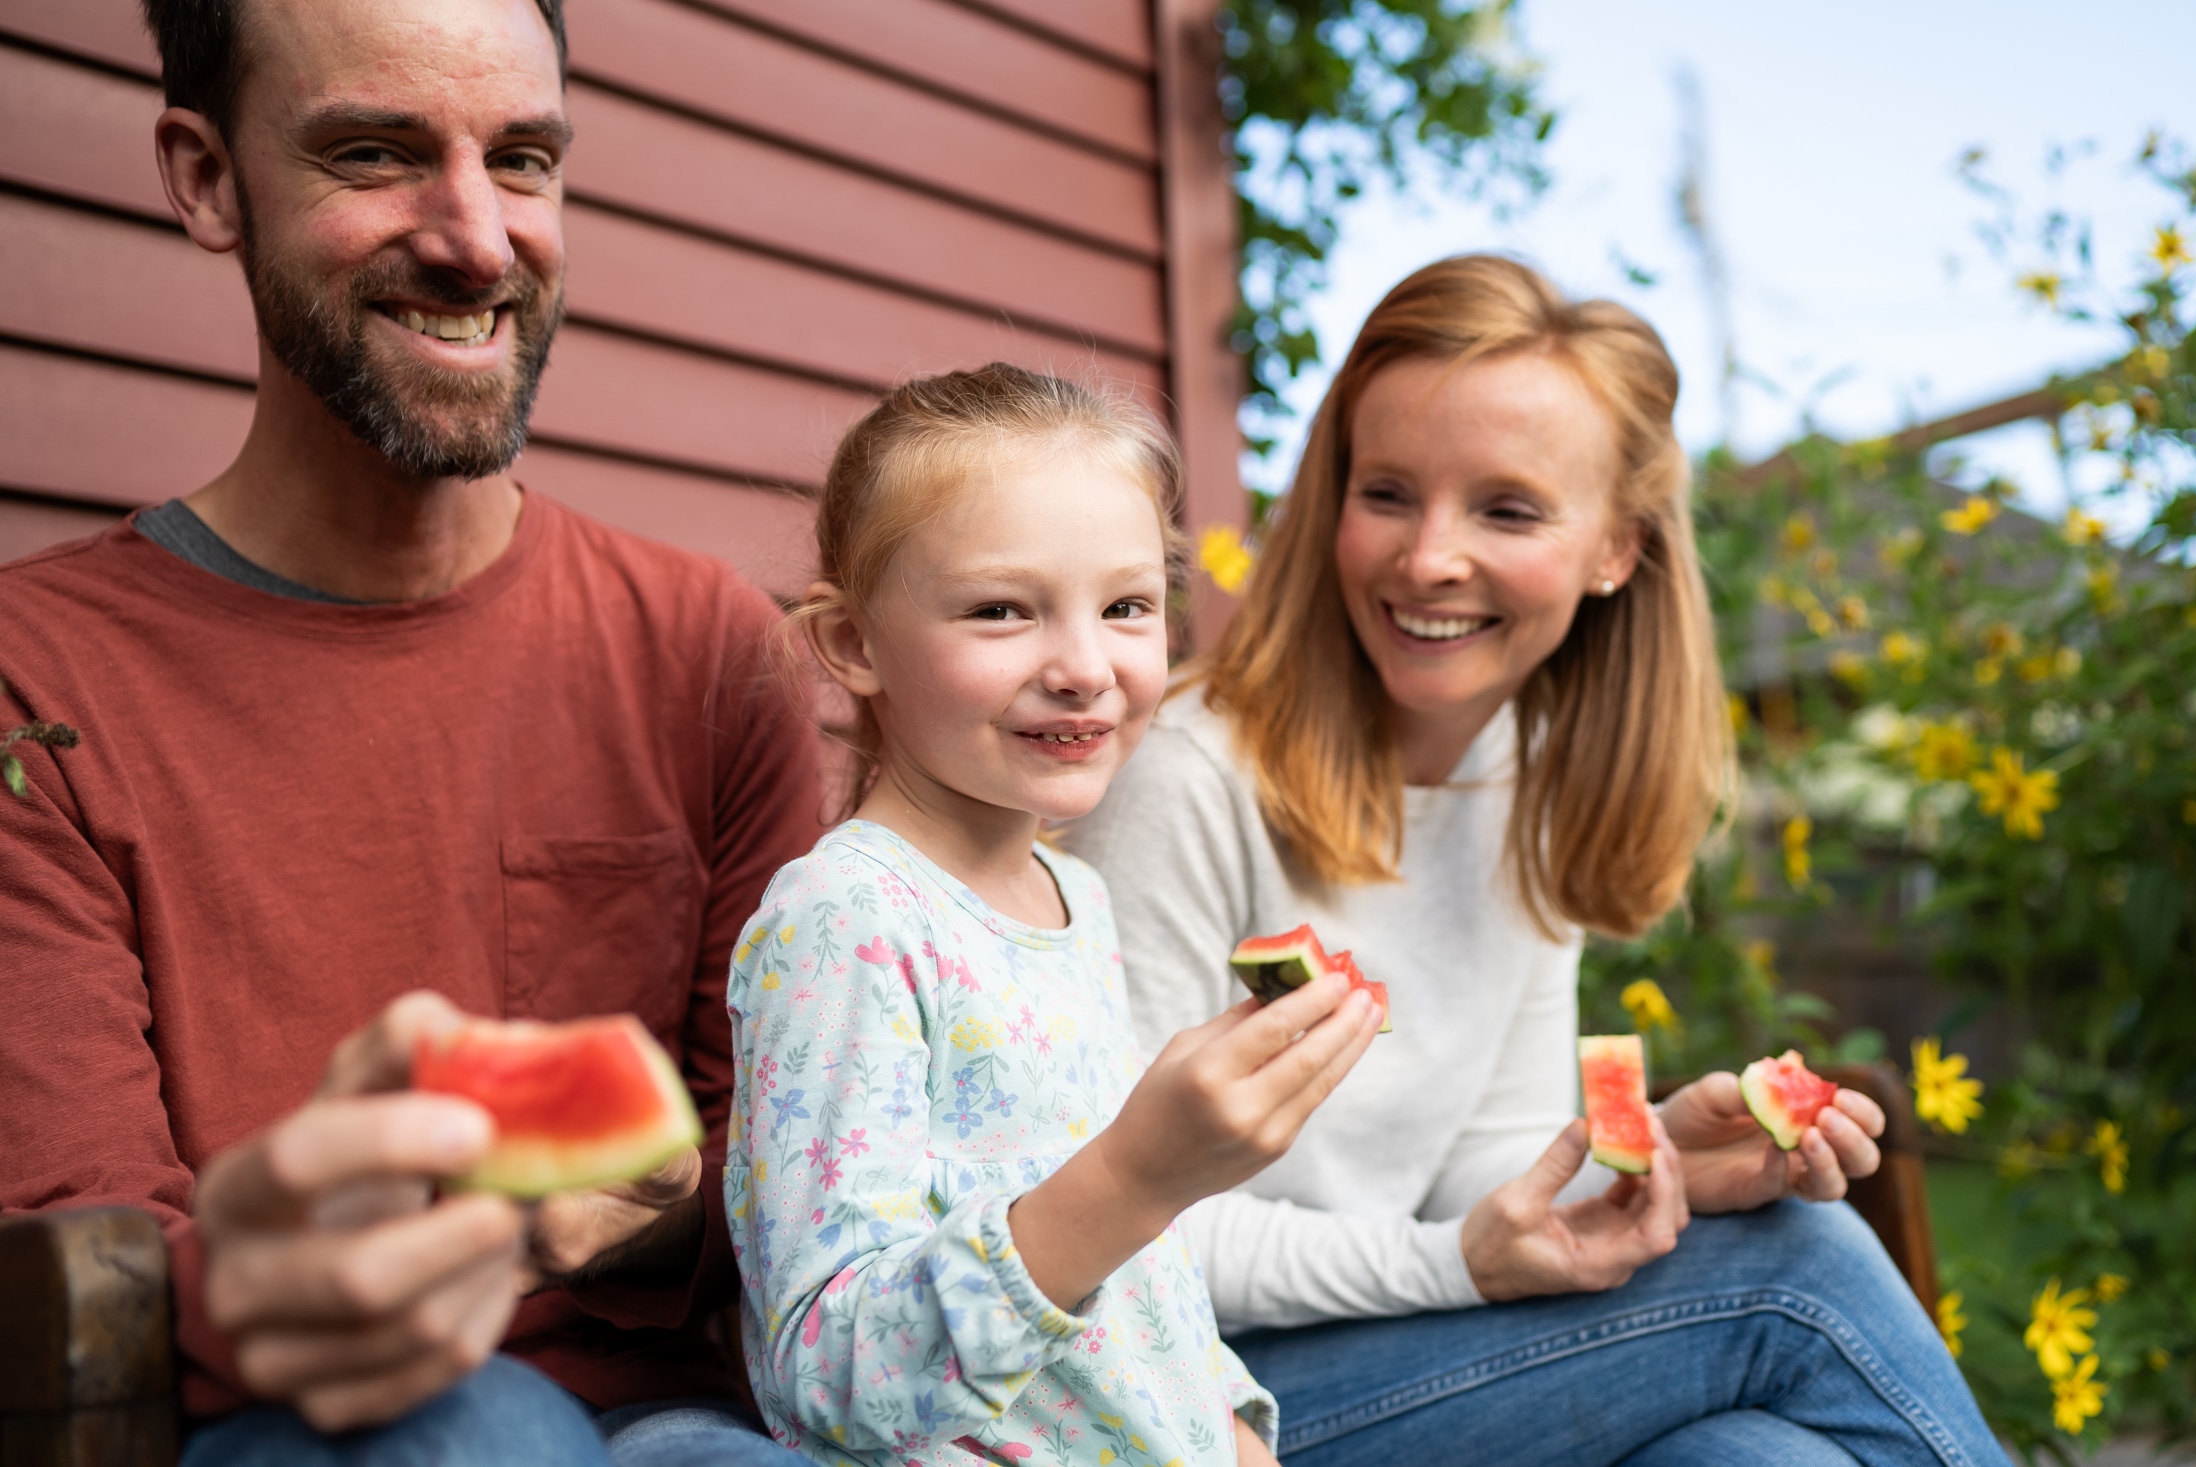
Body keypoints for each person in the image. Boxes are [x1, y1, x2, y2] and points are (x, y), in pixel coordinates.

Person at [0, 0, 822, 1462]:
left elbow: (795, 1141)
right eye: (374, 153)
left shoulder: (706, 648)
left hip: (682, 1420)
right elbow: (82, 1243)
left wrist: (625, 1201)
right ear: (206, 178)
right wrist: (243, 1271)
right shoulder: (33, 678)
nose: (478, 239)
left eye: (521, 159)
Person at [1066, 256, 2009, 1466]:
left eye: (1504, 511)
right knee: (1795, 1272)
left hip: (1401, 1345)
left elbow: (1482, 1187)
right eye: (1388, 492)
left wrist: (1649, 1163)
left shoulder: (1533, 782)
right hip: (1192, 1394)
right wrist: (1451, 1263)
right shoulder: (1184, 783)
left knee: (1759, 1462)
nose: (1427, 559)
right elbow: (1119, 1232)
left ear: (1615, 548)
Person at [725, 365, 1385, 1466]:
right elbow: (829, 1374)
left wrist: (1229, 1423)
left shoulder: (1075, 895)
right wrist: (1139, 1174)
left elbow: (1138, 1279)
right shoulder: (845, 922)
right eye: (1000, 611)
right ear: (852, 646)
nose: (1085, 668)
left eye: (1128, 607)